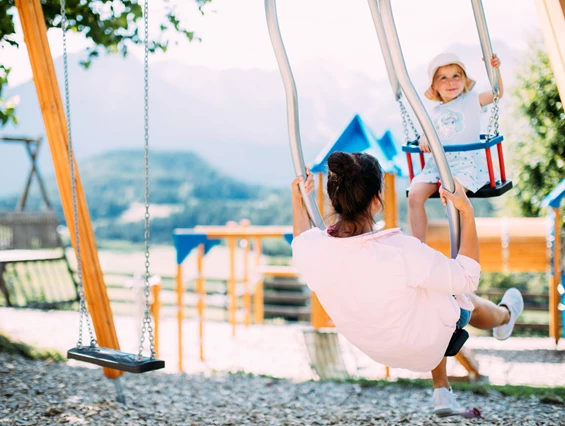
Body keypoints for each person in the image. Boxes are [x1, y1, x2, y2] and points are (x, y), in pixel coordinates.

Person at [291, 152, 523, 417]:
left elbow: (301, 240)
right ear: (377, 200)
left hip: (378, 348)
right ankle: (505, 316)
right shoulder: (401, 252)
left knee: (426, 288)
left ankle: (442, 390)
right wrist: (466, 211)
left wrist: (298, 200)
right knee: (459, 297)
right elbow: (468, 276)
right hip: (423, 346)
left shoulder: (311, 250)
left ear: (334, 199)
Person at [409, 52, 504, 242]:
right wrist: (424, 139)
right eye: (443, 78)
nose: (451, 82)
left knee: (455, 196)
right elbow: (424, 135)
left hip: (466, 164)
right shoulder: (432, 113)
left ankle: (463, 246)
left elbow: (497, 93)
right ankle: (418, 246)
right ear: (434, 86)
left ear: (464, 80)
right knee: (414, 195)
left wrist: (495, 70)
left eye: (456, 76)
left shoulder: (471, 100)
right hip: (438, 166)